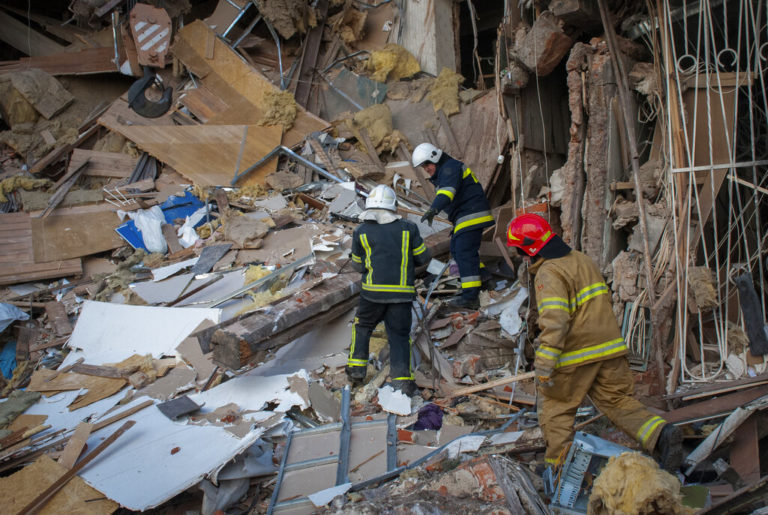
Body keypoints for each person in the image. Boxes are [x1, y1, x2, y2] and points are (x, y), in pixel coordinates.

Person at [506, 213, 683, 472]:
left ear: (530, 247)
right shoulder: (581, 260)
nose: (520, 256)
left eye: (520, 250)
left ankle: (557, 470)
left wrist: (544, 363)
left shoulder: (548, 272)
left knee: (556, 410)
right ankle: (661, 434)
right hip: (610, 348)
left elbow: (555, 320)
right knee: (617, 402)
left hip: (575, 354)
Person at [346, 185, 431, 396]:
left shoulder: (361, 231)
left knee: (363, 326)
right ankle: (402, 382)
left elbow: (357, 265)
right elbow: (423, 258)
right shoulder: (409, 228)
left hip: (371, 294)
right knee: (400, 336)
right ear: (393, 206)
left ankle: (357, 370)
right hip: (401, 295)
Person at [412, 143, 494, 310]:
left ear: (435, 157)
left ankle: (470, 297)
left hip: (471, 213)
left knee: (464, 251)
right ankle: (485, 279)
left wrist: (434, 209)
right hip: (466, 214)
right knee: (458, 249)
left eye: (427, 164)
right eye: (423, 166)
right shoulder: (445, 171)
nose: (426, 169)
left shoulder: (449, 168)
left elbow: (447, 193)